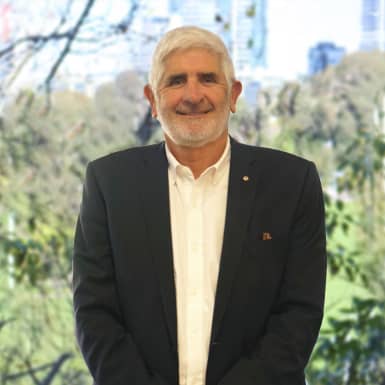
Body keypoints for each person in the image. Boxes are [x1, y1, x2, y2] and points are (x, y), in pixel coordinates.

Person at [72, 26, 326, 385]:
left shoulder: (291, 183)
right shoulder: (109, 183)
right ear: (152, 100)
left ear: (234, 94)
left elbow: (299, 314)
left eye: (207, 78)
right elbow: (94, 315)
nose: (193, 95)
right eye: (176, 81)